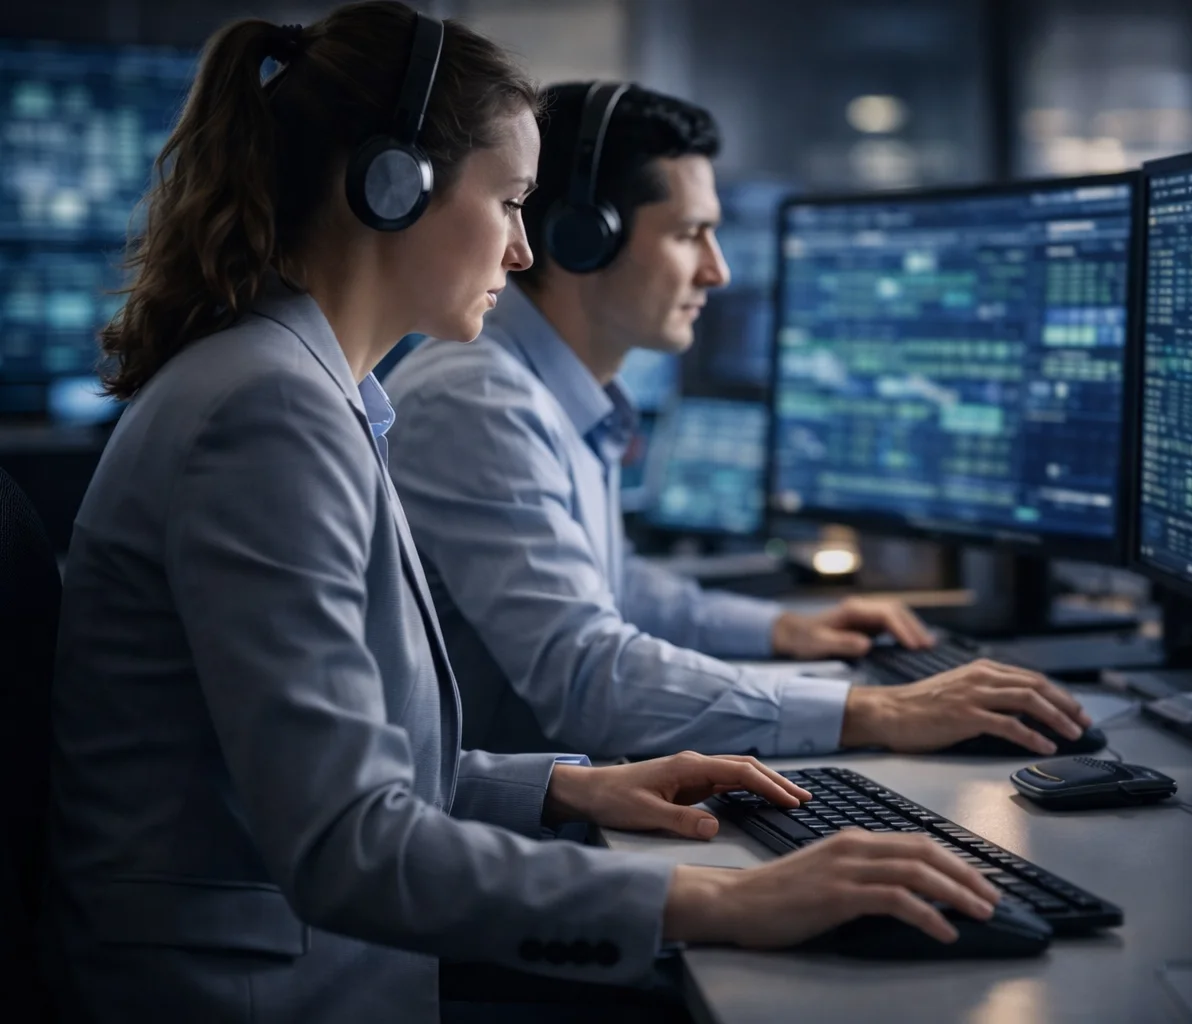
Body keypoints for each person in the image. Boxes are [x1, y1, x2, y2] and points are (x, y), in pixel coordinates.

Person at [44, 7, 1004, 1022]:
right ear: (390, 189)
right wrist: (723, 897)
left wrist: (565, 787)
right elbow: (346, 840)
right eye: (507, 202)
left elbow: (337, 760)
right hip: (252, 994)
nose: (519, 249)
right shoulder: (268, 412)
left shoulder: (303, 393)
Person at [384, 81, 1095, 760]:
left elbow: (614, 586)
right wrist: (882, 711)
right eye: (691, 235)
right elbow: (587, 679)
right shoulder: (478, 402)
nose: (717, 272)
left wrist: (787, 629)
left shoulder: (547, 392)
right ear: (583, 238)